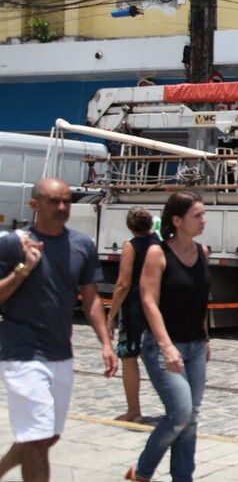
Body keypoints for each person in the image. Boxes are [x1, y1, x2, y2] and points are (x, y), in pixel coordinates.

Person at [0, 178, 118, 482]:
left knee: (46, 436)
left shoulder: (82, 244)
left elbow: (90, 297)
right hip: (22, 352)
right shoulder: (13, 244)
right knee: (37, 439)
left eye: (67, 200)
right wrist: (24, 269)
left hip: (61, 352)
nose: (62, 207)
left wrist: (105, 343)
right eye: (54, 201)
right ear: (34, 205)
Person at [127, 192, 211, 482]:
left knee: (191, 418)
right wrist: (165, 346)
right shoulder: (157, 253)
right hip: (164, 346)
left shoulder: (203, 252)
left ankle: (182, 478)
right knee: (180, 413)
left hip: (196, 346)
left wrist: (206, 339)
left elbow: (201, 300)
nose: (204, 220)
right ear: (177, 220)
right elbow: (148, 301)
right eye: (197, 215)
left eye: (203, 214)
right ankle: (142, 471)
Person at [105, 207, 159, 423]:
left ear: (130, 226)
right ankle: (175, 406)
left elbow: (123, 284)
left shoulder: (131, 246)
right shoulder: (160, 244)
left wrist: (111, 314)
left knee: (129, 357)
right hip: (157, 304)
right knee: (157, 357)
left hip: (135, 307)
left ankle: (133, 410)